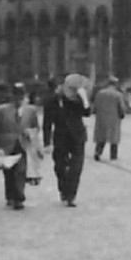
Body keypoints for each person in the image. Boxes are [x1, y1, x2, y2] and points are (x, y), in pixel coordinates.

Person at [44, 74, 92, 207]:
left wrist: (84, 98)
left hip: (77, 135)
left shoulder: (76, 99)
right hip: (60, 136)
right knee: (59, 166)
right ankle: (63, 190)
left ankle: (71, 195)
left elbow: (87, 112)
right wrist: (47, 142)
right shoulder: (50, 101)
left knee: (76, 167)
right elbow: (47, 122)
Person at [0, 82, 37, 209]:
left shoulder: (31, 110)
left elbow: (35, 127)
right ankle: (10, 195)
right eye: (16, 95)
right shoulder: (1, 110)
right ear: (11, 96)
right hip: (6, 144)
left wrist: (31, 135)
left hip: (23, 143)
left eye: (21, 95)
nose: (18, 98)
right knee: (9, 172)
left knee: (21, 171)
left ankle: (19, 198)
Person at [93, 76, 127, 161]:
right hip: (114, 119)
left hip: (101, 119)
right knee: (114, 138)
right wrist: (122, 115)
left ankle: (98, 152)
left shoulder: (100, 93)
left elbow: (94, 107)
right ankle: (113, 155)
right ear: (115, 84)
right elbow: (121, 108)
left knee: (101, 137)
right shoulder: (118, 95)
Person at [21, 89, 44, 186]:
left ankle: (34, 175)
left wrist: (31, 132)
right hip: (20, 136)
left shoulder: (32, 110)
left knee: (32, 155)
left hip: (30, 136)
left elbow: (36, 126)